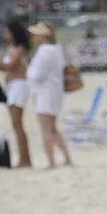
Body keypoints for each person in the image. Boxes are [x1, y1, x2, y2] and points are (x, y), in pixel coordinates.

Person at [0, 20, 32, 168]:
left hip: (19, 85)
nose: (4, 35)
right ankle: (24, 158)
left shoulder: (20, 49)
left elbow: (8, 66)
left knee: (18, 124)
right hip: (12, 85)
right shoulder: (12, 49)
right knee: (16, 124)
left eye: (6, 32)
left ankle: (25, 160)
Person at [27, 22, 72, 168]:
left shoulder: (44, 51)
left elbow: (37, 75)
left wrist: (28, 72)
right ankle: (66, 158)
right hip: (54, 92)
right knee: (52, 128)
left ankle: (51, 161)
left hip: (45, 92)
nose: (33, 37)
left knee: (46, 128)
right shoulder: (56, 49)